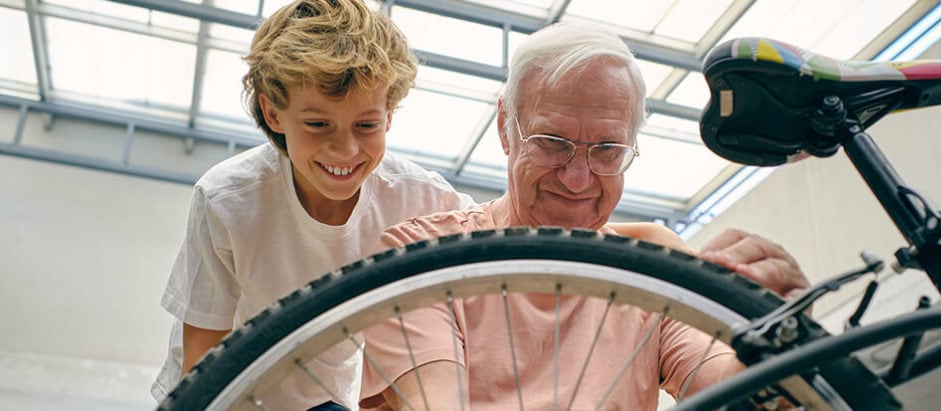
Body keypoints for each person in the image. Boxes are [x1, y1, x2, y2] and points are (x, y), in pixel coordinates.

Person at [358, 21, 809, 410]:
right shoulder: (419, 258)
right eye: (551, 142)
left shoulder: (654, 264)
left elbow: (726, 387)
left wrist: (784, 347)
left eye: (608, 150)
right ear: (505, 128)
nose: (577, 178)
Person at [149, 0, 474, 409]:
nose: (345, 149)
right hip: (225, 391)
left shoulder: (426, 199)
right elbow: (202, 350)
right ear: (273, 113)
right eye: (318, 124)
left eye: (366, 125)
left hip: (324, 399)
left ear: (389, 114)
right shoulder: (228, 199)